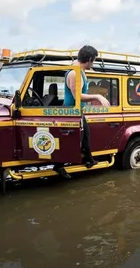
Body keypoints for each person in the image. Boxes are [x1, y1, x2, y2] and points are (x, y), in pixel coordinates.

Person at [53, 45, 110, 179]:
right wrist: (97, 96)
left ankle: (89, 160)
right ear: (89, 59)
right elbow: (77, 96)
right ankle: (58, 166)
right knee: (69, 140)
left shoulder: (80, 69)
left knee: (86, 135)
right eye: (93, 60)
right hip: (70, 111)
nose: (93, 63)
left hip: (77, 110)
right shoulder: (75, 73)